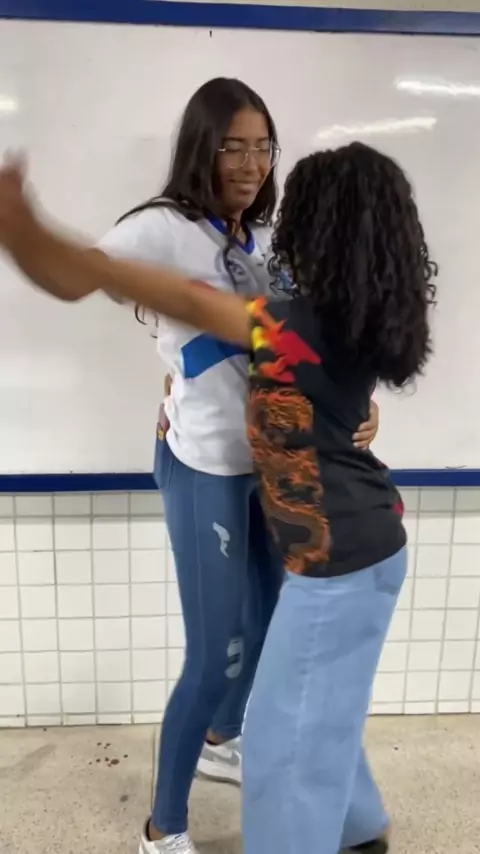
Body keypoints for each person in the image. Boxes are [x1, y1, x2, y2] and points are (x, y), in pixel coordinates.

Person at [0, 138, 408, 854]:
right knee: (322, 712)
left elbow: (181, 297)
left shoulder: (289, 327)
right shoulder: (359, 314)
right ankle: (359, 830)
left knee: (281, 743)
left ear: (321, 228)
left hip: (336, 565)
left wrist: (35, 237)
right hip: (371, 547)